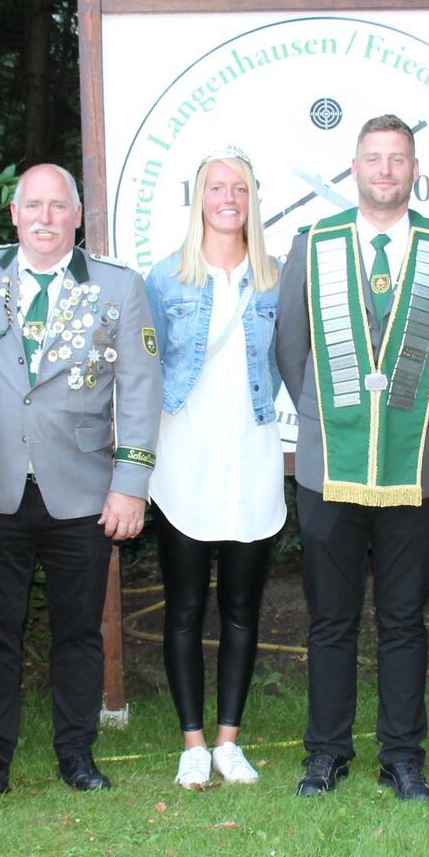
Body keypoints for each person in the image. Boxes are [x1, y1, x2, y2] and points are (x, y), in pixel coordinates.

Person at [275, 114, 429, 802]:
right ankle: (325, 754)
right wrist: (330, 413)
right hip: (331, 460)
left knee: (403, 619)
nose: (386, 170)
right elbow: (291, 347)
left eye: (398, 159)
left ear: (414, 170)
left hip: (416, 463)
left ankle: (402, 757)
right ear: (355, 169)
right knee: (329, 619)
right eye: (373, 158)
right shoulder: (314, 245)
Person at [0, 164, 162, 794]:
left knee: (78, 632)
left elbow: (141, 388)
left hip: (84, 490)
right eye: (32, 205)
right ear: (13, 213)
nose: (44, 217)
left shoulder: (118, 287)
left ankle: (77, 753)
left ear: (77, 216)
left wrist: (131, 483)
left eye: (57, 206)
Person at [143, 148, 284, 790]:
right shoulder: (165, 279)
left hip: (252, 461)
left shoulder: (277, 279)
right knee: (183, 607)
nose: (229, 198)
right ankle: (192, 743)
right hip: (184, 462)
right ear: (198, 198)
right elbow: (143, 374)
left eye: (241, 189)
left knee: (242, 610)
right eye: (216, 188)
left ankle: (229, 741)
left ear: (254, 201)